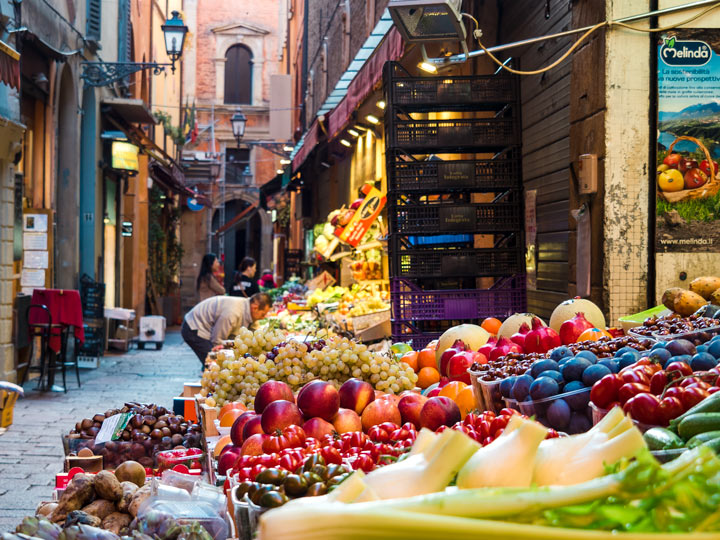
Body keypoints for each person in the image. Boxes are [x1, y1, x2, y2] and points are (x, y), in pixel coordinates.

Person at [181, 292, 272, 367]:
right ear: (255, 307)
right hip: (194, 327)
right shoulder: (232, 314)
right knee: (213, 362)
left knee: (214, 360)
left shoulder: (248, 308)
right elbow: (217, 340)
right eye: (263, 314)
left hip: (206, 327)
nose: (263, 318)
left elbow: (254, 331)